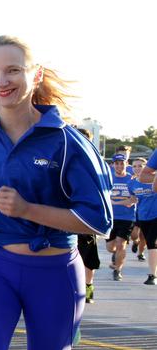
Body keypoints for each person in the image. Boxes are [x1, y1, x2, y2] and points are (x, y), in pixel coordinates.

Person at [0, 35, 113, 350]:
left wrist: (27, 209)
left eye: (12, 70)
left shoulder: (69, 142)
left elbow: (100, 221)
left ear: (36, 74)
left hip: (55, 270)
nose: (1, 81)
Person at [74, 128, 101, 303]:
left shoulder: (95, 164)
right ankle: (73, 288)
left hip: (86, 219)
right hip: (65, 218)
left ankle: (88, 286)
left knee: (87, 258)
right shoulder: (66, 158)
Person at [105, 154, 137, 281]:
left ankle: (118, 270)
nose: (119, 166)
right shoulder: (108, 179)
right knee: (110, 248)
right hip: (111, 217)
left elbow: (134, 199)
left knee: (121, 244)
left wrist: (116, 202)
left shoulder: (132, 180)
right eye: (116, 163)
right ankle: (115, 256)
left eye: (122, 163)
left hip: (127, 217)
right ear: (112, 164)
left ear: (126, 163)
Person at [128, 157, 157, 285]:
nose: (138, 168)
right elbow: (132, 200)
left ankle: (152, 275)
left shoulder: (154, 179)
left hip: (156, 214)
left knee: (152, 243)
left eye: (141, 166)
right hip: (143, 216)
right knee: (143, 240)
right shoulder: (132, 184)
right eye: (135, 166)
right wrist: (114, 202)